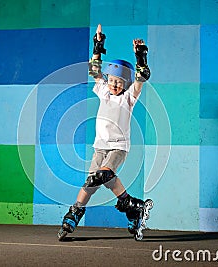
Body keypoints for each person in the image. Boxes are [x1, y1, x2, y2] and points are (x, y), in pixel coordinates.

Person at [58, 24, 151, 240]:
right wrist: (98, 45)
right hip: (100, 146)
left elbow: (141, 77)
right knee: (92, 182)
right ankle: (76, 213)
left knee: (105, 174)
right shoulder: (104, 92)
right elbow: (94, 70)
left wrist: (140, 56)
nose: (115, 85)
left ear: (125, 83)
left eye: (120, 82)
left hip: (118, 146)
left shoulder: (129, 98)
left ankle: (133, 208)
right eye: (112, 81)